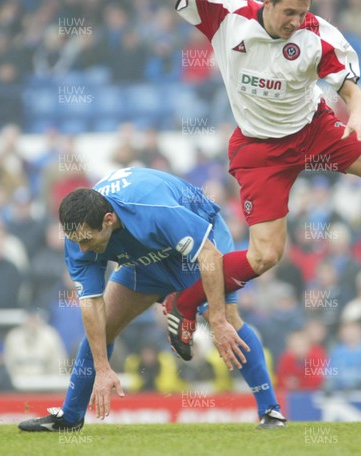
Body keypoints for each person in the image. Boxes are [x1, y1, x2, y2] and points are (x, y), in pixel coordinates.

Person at [162, 0, 361, 355]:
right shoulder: (227, 14)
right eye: (288, 12)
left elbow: (354, 93)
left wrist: (357, 118)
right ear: (265, 0)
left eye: (302, 13)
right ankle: (184, 302)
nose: (296, 21)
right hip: (261, 151)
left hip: (315, 131)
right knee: (265, 257)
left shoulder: (316, 35)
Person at [18, 167, 285, 432]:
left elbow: (209, 257)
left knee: (227, 320)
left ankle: (271, 412)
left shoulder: (152, 207)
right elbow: (90, 303)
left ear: (109, 219)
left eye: (88, 239)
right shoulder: (79, 237)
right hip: (142, 258)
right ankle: (70, 417)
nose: (83, 249)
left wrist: (216, 319)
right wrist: (102, 367)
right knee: (103, 327)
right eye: (76, 241)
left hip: (199, 248)